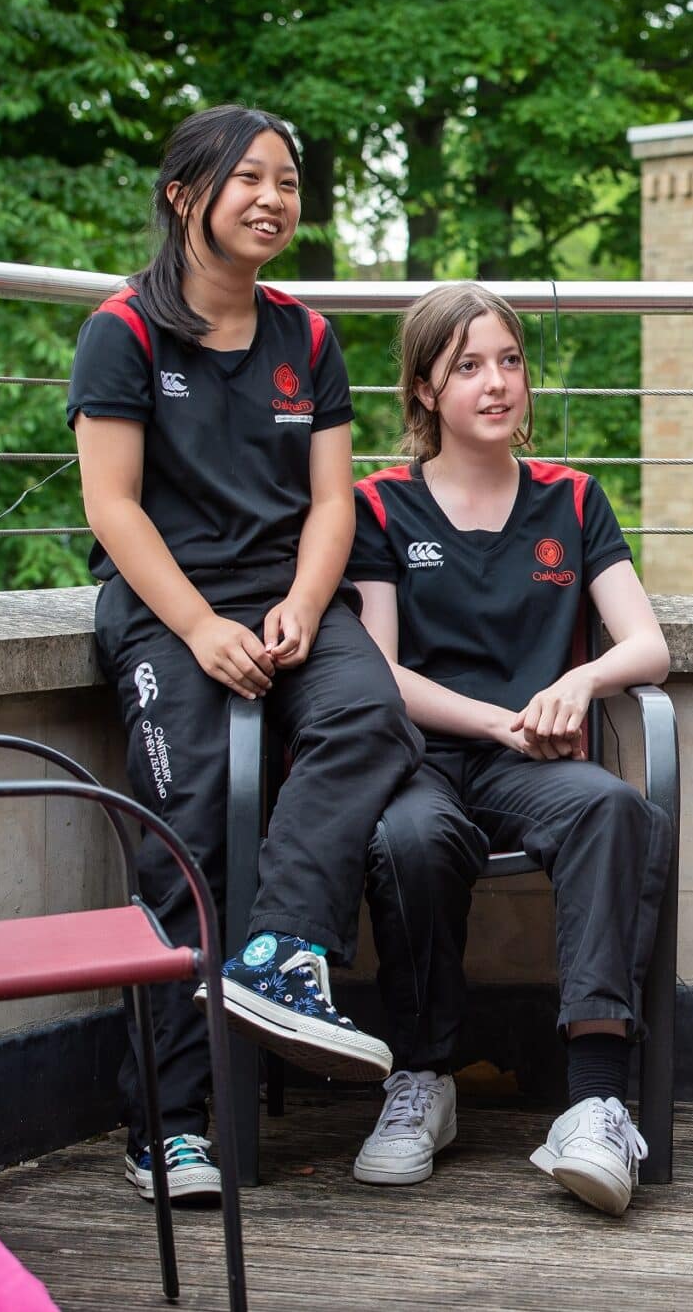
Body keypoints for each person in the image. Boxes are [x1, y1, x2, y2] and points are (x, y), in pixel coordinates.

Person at [68, 104, 422, 1203]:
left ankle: (279, 950)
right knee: (194, 826)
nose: (275, 199)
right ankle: (166, 1129)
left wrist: (309, 607)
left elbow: (332, 505)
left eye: (289, 182)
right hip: (167, 610)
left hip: (289, 603)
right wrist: (199, 627)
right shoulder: (121, 332)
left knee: (372, 718)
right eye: (249, 180)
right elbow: (114, 508)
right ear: (185, 197)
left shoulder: (307, 338)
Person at [346, 284, 673, 1213]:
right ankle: (422, 1079)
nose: (497, 385)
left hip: (534, 765)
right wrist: (495, 719)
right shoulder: (380, 507)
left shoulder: (573, 499)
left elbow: (646, 643)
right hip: (424, 759)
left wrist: (582, 681)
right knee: (409, 841)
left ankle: (595, 1102)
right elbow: (381, 673)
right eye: (467, 367)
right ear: (423, 391)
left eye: (511, 362)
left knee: (612, 806)